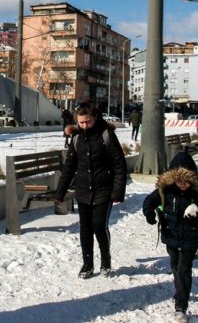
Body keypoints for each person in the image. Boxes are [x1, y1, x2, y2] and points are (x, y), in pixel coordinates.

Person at [55, 102, 127, 279]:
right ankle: (87, 264)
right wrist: (60, 192)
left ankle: (105, 260)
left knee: (99, 225)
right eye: (81, 123)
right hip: (83, 190)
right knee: (85, 228)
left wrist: (117, 192)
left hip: (104, 189)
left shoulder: (106, 135)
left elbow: (119, 164)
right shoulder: (76, 138)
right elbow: (69, 167)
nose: (84, 125)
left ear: (94, 117)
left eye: (87, 122)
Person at [142, 152, 198, 320]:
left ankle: (181, 306)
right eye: (179, 180)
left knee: (184, 269)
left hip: (191, 238)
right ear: (172, 178)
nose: (183, 184)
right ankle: (180, 292)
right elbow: (149, 201)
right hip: (172, 236)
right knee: (176, 267)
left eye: (187, 181)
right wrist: (149, 213)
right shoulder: (165, 191)